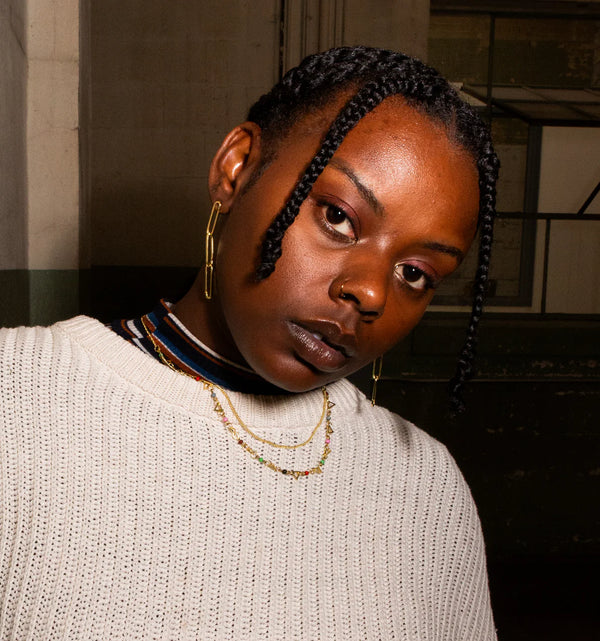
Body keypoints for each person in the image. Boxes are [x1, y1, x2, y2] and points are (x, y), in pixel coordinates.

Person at [0, 47, 499, 639]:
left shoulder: (428, 490)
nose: (370, 292)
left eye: (415, 273)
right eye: (338, 217)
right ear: (237, 168)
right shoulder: (16, 396)